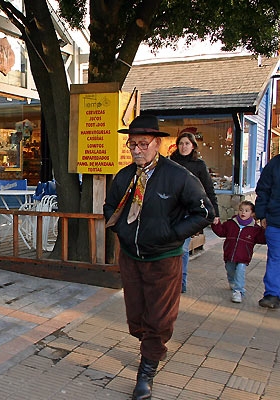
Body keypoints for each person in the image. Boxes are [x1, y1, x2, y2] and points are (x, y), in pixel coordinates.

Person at [103, 114, 214, 400]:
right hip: (131, 257)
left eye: (142, 144)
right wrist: (122, 232)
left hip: (164, 259)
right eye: (132, 144)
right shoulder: (125, 176)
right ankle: (151, 346)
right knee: (137, 317)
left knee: (159, 319)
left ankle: (146, 371)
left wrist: (171, 234)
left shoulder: (179, 176)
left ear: (158, 144)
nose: (136, 150)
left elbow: (205, 212)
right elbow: (110, 207)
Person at [169, 128, 220, 293]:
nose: (183, 147)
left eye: (187, 143)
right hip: (171, 210)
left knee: (182, 248)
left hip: (190, 211)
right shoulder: (171, 162)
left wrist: (215, 212)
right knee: (170, 247)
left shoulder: (199, 165)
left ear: (193, 146)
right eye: (181, 143)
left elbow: (208, 189)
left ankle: (180, 283)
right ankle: (170, 279)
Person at [211, 200, 266, 303]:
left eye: (246, 210)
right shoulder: (231, 223)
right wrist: (216, 224)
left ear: (252, 214)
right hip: (229, 254)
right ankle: (232, 281)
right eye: (241, 210)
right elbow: (221, 231)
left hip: (243, 256)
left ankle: (238, 291)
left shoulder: (255, 229)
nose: (243, 213)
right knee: (230, 269)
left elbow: (262, 239)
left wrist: (265, 230)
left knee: (240, 270)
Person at [254, 154, 280, 308]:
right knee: (275, 258)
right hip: (276, 221)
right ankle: (272, 294)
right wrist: (262, 214)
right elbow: (263, 190)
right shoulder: (275, 164)